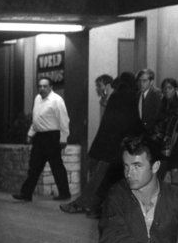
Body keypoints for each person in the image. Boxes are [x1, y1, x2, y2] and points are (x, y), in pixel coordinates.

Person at [60, 72, 143, 216]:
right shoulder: (134, 98)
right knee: (107, 181)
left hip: (110, 147)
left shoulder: (118, 98)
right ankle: (94, 207)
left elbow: (108, 125)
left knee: (99, 178)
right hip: (125, 147)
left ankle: (83, 204)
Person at [12, 76, 71, 202]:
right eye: (40, 86)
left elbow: (64, 120)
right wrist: (30, 134)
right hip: (39, 137)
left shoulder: (57, 100)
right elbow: (36, 119)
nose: (42, 88)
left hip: (52, 136)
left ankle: (65, 193)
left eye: (45, 86)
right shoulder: (37, 98)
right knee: (34, 166)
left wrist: (64, 137)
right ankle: (26, 194)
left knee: (56, 166)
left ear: (51, 87)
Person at [153, 77, 178, 179]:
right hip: (163, 148)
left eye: (169, 88)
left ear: (175, 89)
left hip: (177, 146)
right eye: (164, 88)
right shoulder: (163, 105)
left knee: (172, 178)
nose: (166, 90)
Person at [136, 68, 162, 135]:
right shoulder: (137, 95)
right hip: (141, 133)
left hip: (153, 133)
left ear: (151, 82)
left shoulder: (157, 94)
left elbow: (159, 116)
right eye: (139, 81)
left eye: (144, 81)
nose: (141, 83)